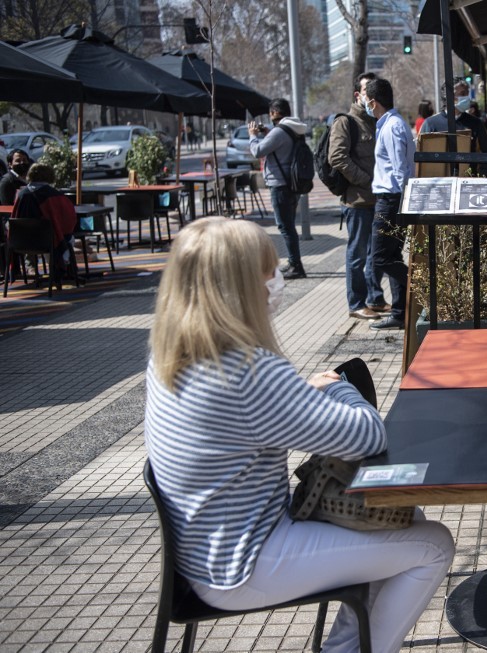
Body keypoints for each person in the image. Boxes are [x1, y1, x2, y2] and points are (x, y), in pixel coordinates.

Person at [144, 217, 454, 653]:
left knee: (405, 519)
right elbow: (368, 436)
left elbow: (256, 419)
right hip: (246, 564)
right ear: (239, 285)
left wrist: (299, 396)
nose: (277, 280)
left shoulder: (170, 356)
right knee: (434, 545)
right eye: (267, 271)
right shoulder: (249, 372)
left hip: (203, 554)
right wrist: (337, 387)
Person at [329, 71, 389, 321]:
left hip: (377, 200)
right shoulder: (346, 122)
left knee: (375, 254)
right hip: (357, 201)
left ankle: (374, 298)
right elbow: (337, 157)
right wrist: (368, 181)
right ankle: (356, 303)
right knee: (357, 254)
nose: (372, 95)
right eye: (367, 91)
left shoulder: (377, 120)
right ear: (358, 94)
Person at [365, 78, 414, 331]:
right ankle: (399, 312)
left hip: (392, 199)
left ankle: (416, 285)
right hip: (391, 198)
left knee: (381, 258)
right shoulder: (388, 124)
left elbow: (400, 169)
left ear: (373, 102)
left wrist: (400, 202)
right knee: (391, 255)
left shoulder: (392, 126)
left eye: (365, 99)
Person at [249, 98, 309, 279]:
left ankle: (296, 265)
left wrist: (252, 135)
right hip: (292, 183)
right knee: (288, 225)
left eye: (270, 113)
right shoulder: (293, 129)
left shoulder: (280, 131)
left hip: (280, 185)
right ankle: (293, 262)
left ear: (274, 113)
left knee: (285, 227)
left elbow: (258, 151)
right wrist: (269, 133)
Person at [10, 163, 78, 281]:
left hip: (20, 243)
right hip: (48, 243)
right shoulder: (54, 195)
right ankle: (67, 272)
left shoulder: (21, 195)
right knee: (64, 237)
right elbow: (68, 222)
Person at [418, 78, 487, 176]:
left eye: (467, 93)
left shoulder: (476, 123)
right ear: (449, 96)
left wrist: (480, 180)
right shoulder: (430, 124)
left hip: (468, 186)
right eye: (462, 93)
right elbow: (422, 160)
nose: (466, 97)